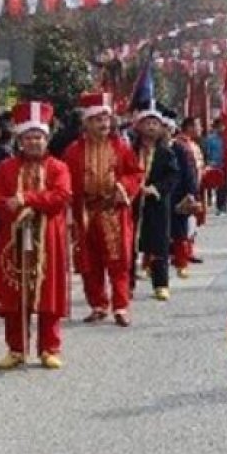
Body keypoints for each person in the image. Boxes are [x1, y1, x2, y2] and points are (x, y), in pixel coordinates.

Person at [0, 101, 73, 370]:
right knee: (14, 293)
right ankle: (16, 349)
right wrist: (12, 208)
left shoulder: (58, 167)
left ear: (46, 139)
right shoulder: (6, 168)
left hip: (48, 239)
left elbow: (61, 196)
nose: (34, 142)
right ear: (20, 140)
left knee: (48, 294)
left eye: (39, 137)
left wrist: (27, 199)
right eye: (28, 138)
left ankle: (49, 348)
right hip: (13, 241)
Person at [62, 92, 144, 326]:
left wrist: (124, 187)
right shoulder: (73, 151)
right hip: (85, 213)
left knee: (118, 261)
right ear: (86, 123)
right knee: (89, 263)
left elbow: (135, 173)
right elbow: (65, 181)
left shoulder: (121, 147)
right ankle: (98, 304)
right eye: (98, 120)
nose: (103, 124)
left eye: (106, 119)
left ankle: (120, 306)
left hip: (113, 212)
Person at [131, 106, 190, 301]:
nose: (150, 127)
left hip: (157, 204)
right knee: (129, 243)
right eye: (147, 123)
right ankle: (128, 283)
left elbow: (173, 175)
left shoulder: (166, 152)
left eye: (154, 123)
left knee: (159, 243)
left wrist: (156, 188)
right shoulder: (130, 150)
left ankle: (161, 283)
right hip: (132, 202)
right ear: (139, 126)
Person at [171, 116, 205, 279]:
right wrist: (190, 192)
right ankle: (180, 260)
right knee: (180, 229)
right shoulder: (180, 145)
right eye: (198, 125)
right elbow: (186, 172)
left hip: (193, 188)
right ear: (189, 127)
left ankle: (186, 254)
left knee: (190, 226)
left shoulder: (192, 144)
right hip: (182, 192)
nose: (201, 129)